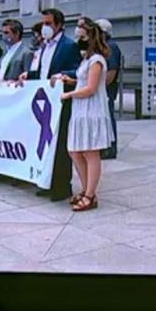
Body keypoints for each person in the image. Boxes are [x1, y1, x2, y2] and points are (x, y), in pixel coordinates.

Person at [20, 8, 82, 202]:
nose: (44, 27)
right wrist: (29, 75)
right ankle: (47, 181)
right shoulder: (44, 46)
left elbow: (78, 71)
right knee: (46, 142)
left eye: (48, 23)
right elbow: (42, 71)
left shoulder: (68, 46)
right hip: (45, 100)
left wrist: (63, 74)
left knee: (61, 144)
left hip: (61, 100)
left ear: (59, 25)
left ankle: (62, 186)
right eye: (43, 23)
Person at [61, 20, 113, 212]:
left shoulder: (96, 60)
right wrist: (72, 81)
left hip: (91, 111)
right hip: (80, 110)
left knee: (90, 153)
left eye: (82, 35)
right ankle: (86, 189)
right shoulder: (87, 59)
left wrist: (69, 94)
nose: (78, 39)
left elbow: (91, 88)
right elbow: (85, 81)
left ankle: (90, 195)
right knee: (75, 151)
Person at [96, 18, 121, 160]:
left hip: (106, 90)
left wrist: (100, 87)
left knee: (108, 117)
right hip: (102, 89)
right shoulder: (102, 47)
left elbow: (112, 71)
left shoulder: (111, 47)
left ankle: (110, 148)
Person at [0, 19, 33, 83]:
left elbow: (28, 76)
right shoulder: (5, 51)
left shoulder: (26, 53)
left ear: (17, 33)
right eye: (2, 32)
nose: (3, 36)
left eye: (6, 33)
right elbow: (3, 72)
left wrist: (15, 82)